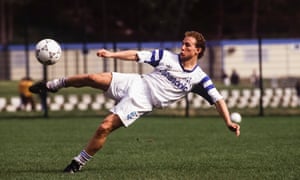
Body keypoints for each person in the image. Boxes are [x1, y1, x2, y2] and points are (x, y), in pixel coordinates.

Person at [29, 31, 240, 173]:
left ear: (198, 51)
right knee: (93, 78)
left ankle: (77, 163)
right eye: (183, 43)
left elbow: (218, 99)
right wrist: (111, 54)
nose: (182, 47)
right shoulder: (166, 57)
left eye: (187, 45)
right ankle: (51, 85)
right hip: (136, 83)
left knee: (104, 127)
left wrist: (228, 122)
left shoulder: (199, 78)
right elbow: (137, 55)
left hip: (142, 102)